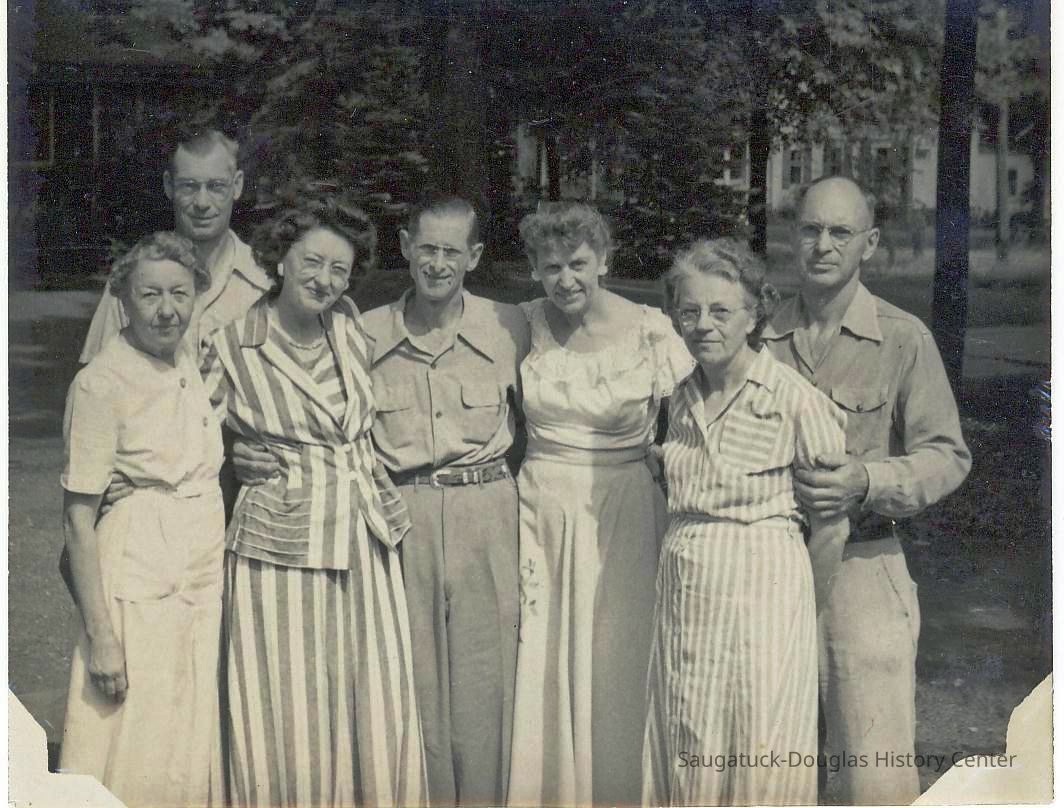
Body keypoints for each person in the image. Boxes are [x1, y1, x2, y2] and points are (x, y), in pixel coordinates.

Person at [233, 193, 529, 806]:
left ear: (475, 256)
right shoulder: (360, 330)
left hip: (486, 511)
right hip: (401, 516)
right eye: (427, 249)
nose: (438, 264)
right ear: (405, 248)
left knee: (486, 681)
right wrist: (237, 451)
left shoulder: (512, 327)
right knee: (410, 685)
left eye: (452, 252)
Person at [202, 192, 425, 807]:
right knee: (290, 701)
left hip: (363, 538)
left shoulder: (348, 325)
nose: (325, 280)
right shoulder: (231, 344)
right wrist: (231, 453)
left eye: (339, 269)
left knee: (372, 695)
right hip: (281, 547)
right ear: (280, 259)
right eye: (312, 262)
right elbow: (190, 438)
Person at [761, 176, 972, 805]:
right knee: (772, 767)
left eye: (840, 232)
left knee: (874, 774)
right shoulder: (758, 335)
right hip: (769, 573)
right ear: (792, 236)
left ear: (869, 244)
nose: (823, 245)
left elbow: (948, 456)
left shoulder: (903, 338)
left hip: (865, 568)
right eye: (810, 230)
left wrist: (868, 479)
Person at [641, 238, 849, 807]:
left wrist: (793, 611)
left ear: (754, 314)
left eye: (721, 311)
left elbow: (831, 528)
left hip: (765, 608)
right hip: (687, 604)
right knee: (689, 734)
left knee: (758, 747)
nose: (703, 325)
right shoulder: (675, 401)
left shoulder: (794, 401)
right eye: (689, 311)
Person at [507, 202, 693, 808]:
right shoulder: (521, 325)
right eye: (552, 266)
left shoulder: (651, 330)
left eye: (579, 264)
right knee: (543, 653)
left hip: (625, 510)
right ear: (535, 268)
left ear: (604, 261)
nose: (566, 280)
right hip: (541, 511)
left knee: (617, 656)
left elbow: (701, 416)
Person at [59, 232, 225, 807]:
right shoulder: (100, 383)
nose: (167, 309)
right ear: (123, 300)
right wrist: (102, 638)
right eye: (150, 295)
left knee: (185, 731)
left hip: (199, 568)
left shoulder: (187, 361)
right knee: (132, 735)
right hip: (136, 573)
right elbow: (77, 523)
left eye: (180, 293)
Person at [80, 127, 271, 365]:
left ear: (237, 185)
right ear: (169, 186)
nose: (202, 202)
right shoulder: (131, 278)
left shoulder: (265, 282)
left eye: (216, 187)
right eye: (189, 186)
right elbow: (97, 378)